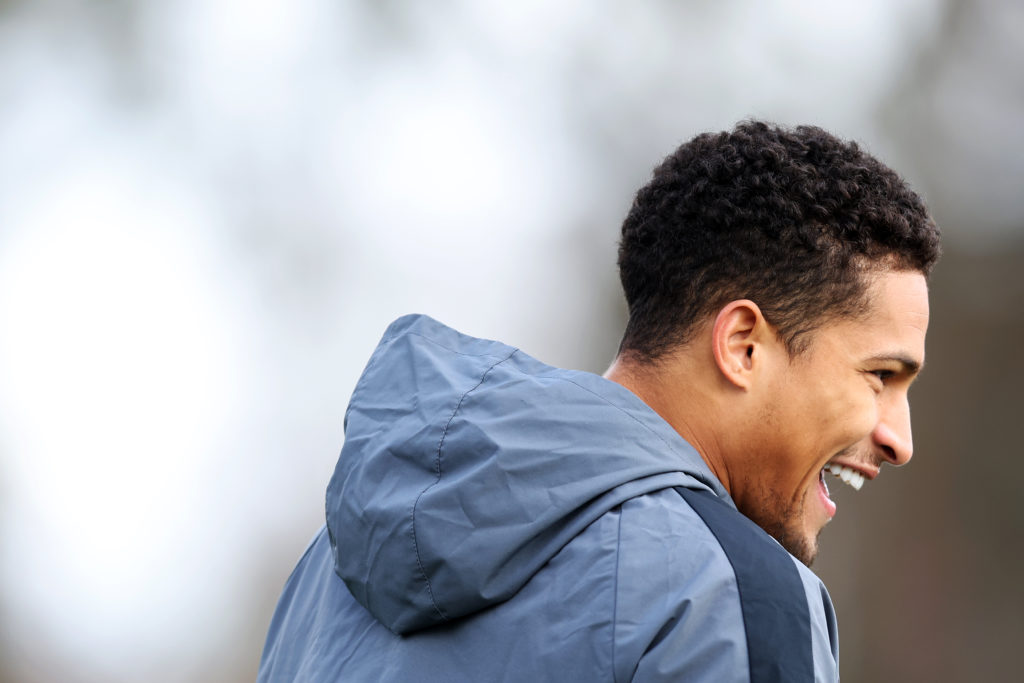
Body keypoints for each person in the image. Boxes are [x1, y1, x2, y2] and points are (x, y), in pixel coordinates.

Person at [256, 120, 940, 682]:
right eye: (880, 375)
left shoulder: (330, 566)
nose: (899, 438)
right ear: (742, 345)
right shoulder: (734, 596)